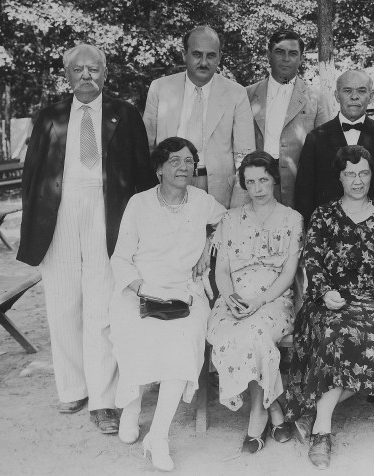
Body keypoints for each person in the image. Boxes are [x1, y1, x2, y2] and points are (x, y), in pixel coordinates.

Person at [17, 44, 156, 433]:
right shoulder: (50, 116)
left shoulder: (125, 114)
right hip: (58, 210)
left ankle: (103, 399)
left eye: (93, 69)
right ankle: (72, 388)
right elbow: (32, 174)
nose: (86, 76)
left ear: (105, 73)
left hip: (106, 209)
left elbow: (143, 174)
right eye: (77, 70)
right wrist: (32, 226)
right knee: (62, 303)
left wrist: (142, 227)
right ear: (67, 75)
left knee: (102, 304)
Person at [285, 145, 374, 470]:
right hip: (328, 300)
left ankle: (314, 414)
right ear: (339, 177)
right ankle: (323, 431)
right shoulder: (323, 216)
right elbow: (312, 259)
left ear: (371, 175)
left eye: (363, 173)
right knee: (335, 332)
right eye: (350, 174)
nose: (357, 180)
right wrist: (325, 292)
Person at [109, 137, 226, 471]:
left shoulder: (201, 200)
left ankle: (158, 436)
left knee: (184, 342)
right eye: (174, 161)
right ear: (159, 169)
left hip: (184, 291)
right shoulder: (139, 203)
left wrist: (208, 246)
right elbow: (120, 258)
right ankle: (131, 407)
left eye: (189, 161)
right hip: (140, 289)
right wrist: (143, 289)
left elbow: (229, 220)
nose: (183, 167)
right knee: (133, 330)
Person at [206, 151, 302, 453]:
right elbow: (221, 270)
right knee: (232, 333)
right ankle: (274, 408)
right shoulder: (230, 219)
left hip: (273, 301)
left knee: (256, 332)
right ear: (243, 185)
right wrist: (230, 298)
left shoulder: (292, 219)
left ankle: (257, 415)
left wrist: (260, 301)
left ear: (274, 179)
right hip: (233, 300)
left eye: (263, 180)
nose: (258, 188)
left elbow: (288, 274)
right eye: (250, 182)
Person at [142, 25, 256, 208]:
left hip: (218, 191)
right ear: (184, 55)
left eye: (211, 55)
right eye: (197, 54)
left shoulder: (236, 93)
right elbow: (146, 148)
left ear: (219, 57)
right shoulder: (160, 88)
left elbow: (246, 157)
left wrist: (237, 209)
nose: (203, 62)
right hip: (169, 185)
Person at [246, 29, 334, 207]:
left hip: (298, 184)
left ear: (301, 58)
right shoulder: (247, 95)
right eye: (279, 52)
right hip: (257, 182)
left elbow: (325, 150)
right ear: (268, 55)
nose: (286, 59)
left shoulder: (316, 98)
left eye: (293, 54)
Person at [295, 70, 374, 221]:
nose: (354, 96)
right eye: (347, 90)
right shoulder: (316, 138)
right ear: (337, 96)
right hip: (328, 226)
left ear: (371, 96)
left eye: (361, 91)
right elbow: (304, 191)